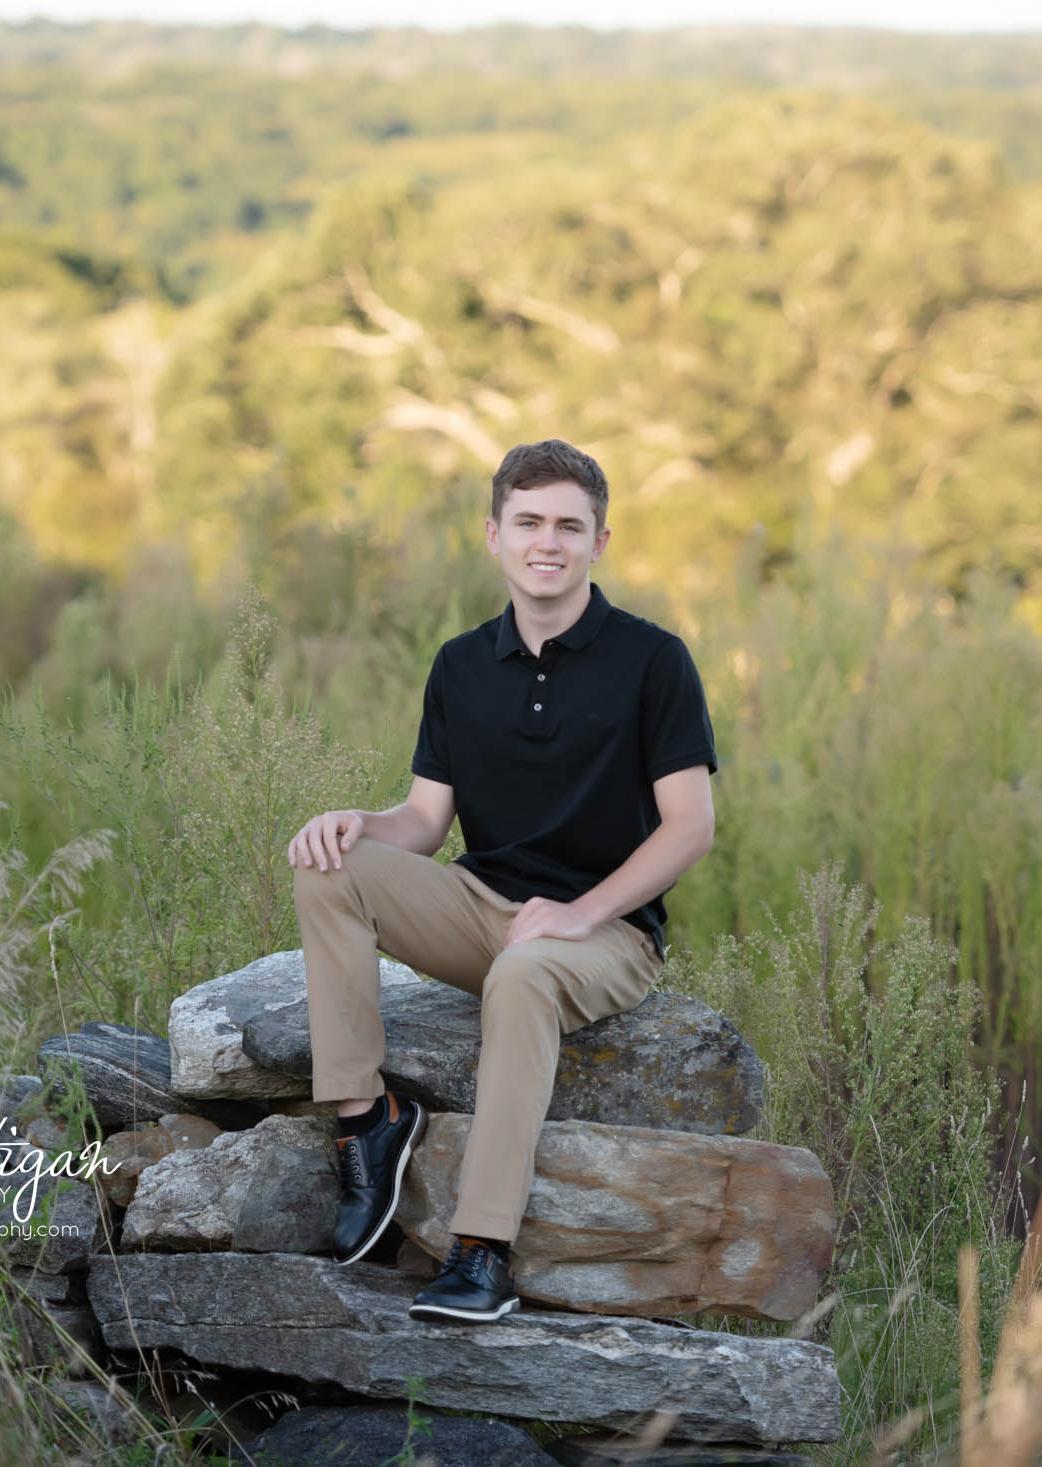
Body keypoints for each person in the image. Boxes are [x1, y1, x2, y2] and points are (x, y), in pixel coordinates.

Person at [284, 438, 719, 1324]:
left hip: (608, 932)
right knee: (328, 867)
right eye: (528, 522)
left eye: (569, 524)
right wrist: (359, 825)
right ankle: (369, 1124)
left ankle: (482, 1250)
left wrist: (580, 912)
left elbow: (691, 827)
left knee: (523, 972)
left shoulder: (654, 660)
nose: (547, 541)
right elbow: (425, 823)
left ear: (601, 540)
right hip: (482, 905)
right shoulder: (459, 664)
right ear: (494, 535)